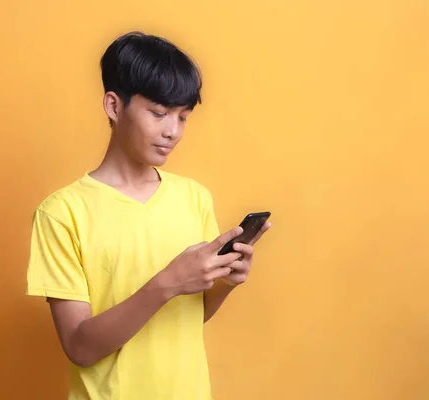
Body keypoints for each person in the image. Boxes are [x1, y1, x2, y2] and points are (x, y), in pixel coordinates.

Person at [26, 31, 271, 400]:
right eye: (158, 113)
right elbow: (80, 347)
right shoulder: (62, 213)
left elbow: (191, 315)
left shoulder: (194, 197)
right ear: (113, 105)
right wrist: (168, 282)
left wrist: (224, 282)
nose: (172, 131)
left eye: (183, 117)